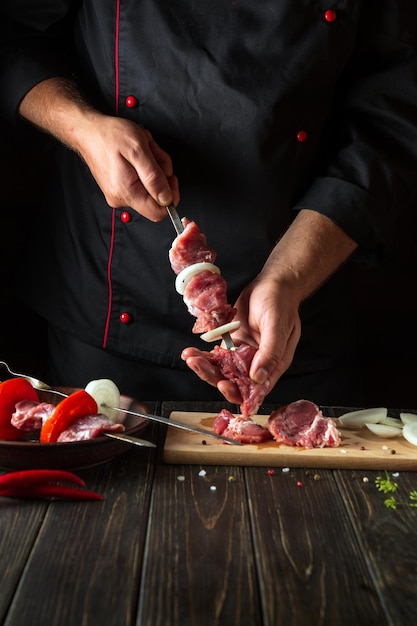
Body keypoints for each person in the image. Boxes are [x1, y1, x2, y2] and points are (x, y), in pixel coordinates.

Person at [1, 1, 417, 406]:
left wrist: (289, 277)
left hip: (298, 308)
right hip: (111, 304)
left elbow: (391, 118)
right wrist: (82, 128)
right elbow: (12, 34)